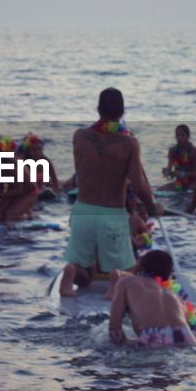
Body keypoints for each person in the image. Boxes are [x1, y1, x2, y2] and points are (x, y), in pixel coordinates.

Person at [60, 87, 162, 296]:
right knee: (128, 268)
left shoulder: (79, 136)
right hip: (111, 212)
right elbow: (139, 186)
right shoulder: (129, 143)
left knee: (80, 263)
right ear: (123, 112)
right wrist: (152, 208)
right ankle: (116, 281)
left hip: (83, 210)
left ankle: (70, 272)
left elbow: (82, 170)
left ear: (98, 109)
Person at [108, 250, 196, 347]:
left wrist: (123, 347)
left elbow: (114, 327)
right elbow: (192, 325)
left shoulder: (127, 282)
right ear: (169, 274)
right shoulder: (176, 296)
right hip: (186, 335)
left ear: (141, 267)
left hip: (152, 336)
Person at [163, 125, 196, 191]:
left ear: (188, 137)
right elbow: (169, 177)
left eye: (182, 135)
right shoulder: (172, 151)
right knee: (159, 191)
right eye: (177, 135)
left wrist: (183, 174)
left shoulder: (194, 151)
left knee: (193, 191)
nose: (179, 138)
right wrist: (167, 173)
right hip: (179, 183)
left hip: (193, 183)